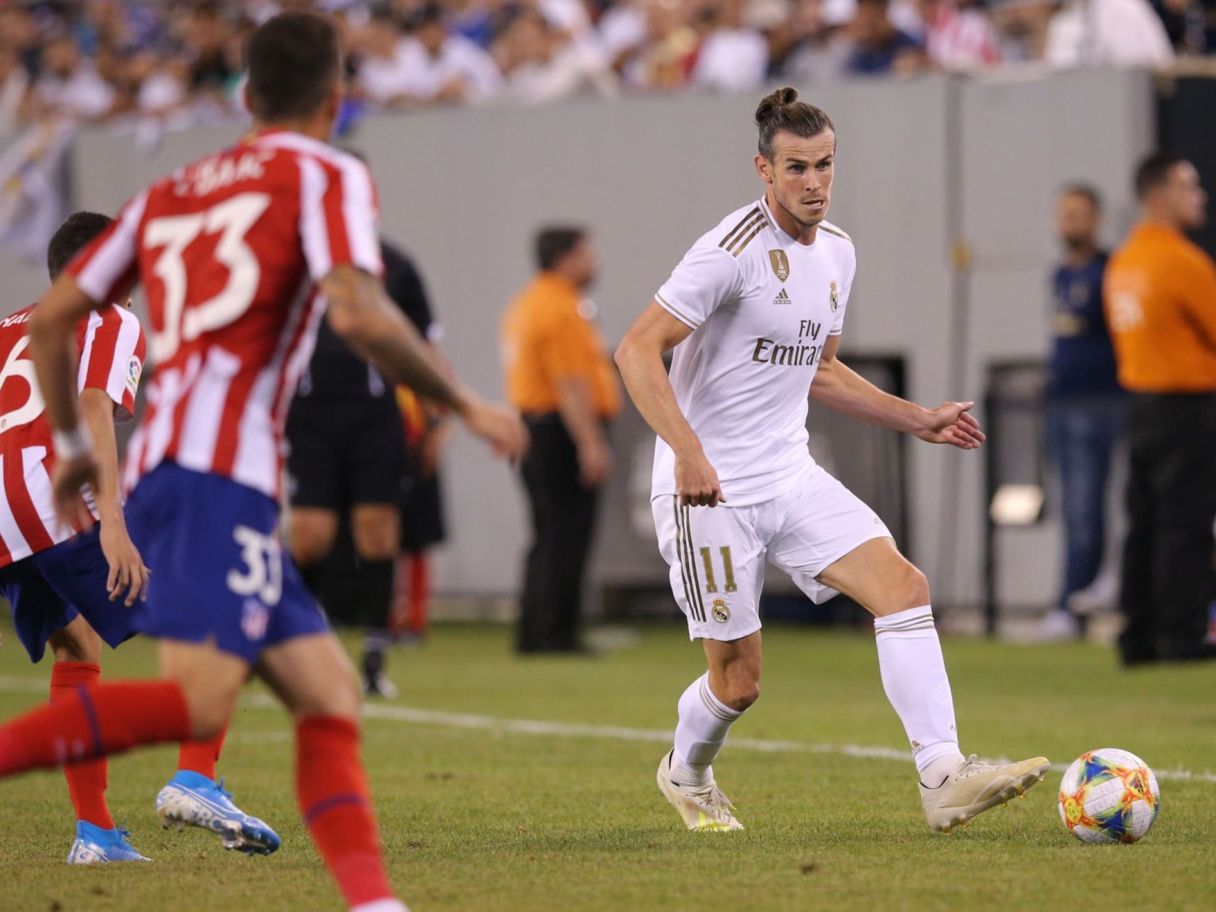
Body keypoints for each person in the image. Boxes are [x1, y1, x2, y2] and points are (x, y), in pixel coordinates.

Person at [0, 13, 525, 912]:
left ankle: (372, 901)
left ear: (244, 97)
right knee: (197, 703)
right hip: (216, 477)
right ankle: (180, 785)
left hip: (168, 470)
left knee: (327, 693)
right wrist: (462, 399)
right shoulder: (326, 170)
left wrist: (80, 454)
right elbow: (357, 313)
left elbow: (51, 320)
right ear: (338, 98)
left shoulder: (171, 190)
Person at [614, 86, 1049, 834]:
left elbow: (819, 369)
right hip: (709, 494)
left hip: (790, 476)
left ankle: (943, 775)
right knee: (739, 682)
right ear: (764, 169)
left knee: (904, 588)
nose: (813, 183)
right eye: (796, 168)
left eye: (824, 165)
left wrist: (919, 419)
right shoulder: (729, 252)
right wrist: (687, 453)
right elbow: (635, 348)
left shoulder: (840, 252)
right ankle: (686, 770)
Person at [0, 210, 278, 863]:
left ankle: (95, 835)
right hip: (52, 499)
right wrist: (115, 525)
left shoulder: (12, 324)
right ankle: (198, 779)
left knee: (76, 645)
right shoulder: (110, 317)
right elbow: (96, 405)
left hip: (5, 516)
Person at [287, 236, 433, 698]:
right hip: (308, 414)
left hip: (375, 416)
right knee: (309, 535)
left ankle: (374, 658)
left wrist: (436, 417)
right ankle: (298, 651)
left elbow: (423, 341)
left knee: (377, 529)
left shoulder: (395, 263)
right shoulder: (292, 263)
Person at [1104, 152, 1216, 666]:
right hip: (1186, 407)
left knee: (1144, 522)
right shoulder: (1181, 261)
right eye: (1189, 186)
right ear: (1159, 196)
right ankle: (1184, 633)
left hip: (1141, 405)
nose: (1200, 196)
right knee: (1185, 523)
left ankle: (1139, 633)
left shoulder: (1125, 261)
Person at [502, 227, 621, 654]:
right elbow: (569, 382)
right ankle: (554, 634)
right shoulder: (560, 307)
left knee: (547, 534)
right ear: (565, 258)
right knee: (565, 535)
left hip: (538, 427)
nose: (595, 262)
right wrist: (590, 443)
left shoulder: (529, 302)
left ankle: (537, 631)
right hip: (560, 431)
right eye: (587, 253)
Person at [1037, 185, 1124, 640]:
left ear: (1096, 219)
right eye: (1064, 214)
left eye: (1079, 215)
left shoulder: (1109, 272)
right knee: (1072, 509)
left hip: (1103, 404)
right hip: (1062, 405)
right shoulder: (1059, 275)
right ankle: (1073, 602)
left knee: (1091, 508)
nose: (1070, 223)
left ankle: (1084, 597)